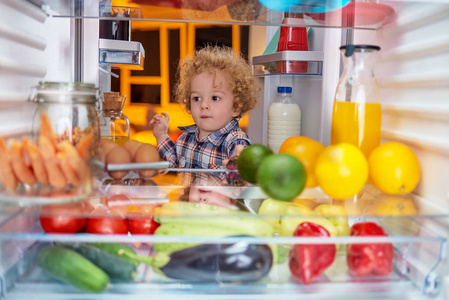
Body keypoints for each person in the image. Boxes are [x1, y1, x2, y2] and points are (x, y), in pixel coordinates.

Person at [149, 45, 259, 173]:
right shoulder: (186, 138)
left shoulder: (235, 141)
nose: (203, 105)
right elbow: (174, 160)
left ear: (236, 107)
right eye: (196, 98)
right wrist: (161, 135)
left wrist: (240, 166)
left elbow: (242, 176)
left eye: (215, 98)